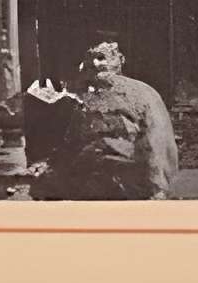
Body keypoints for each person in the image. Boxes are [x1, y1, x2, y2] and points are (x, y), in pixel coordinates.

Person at [31, 37, 179, 201]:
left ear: (120, 60)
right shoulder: (86, 98)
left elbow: (158, 145)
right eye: (90, 58)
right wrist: (51, 168)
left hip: (130, 187)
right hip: (87, 187)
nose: (95, 64)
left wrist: (158, 189)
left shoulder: (143, 94)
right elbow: (72, 143)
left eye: (102, 57)